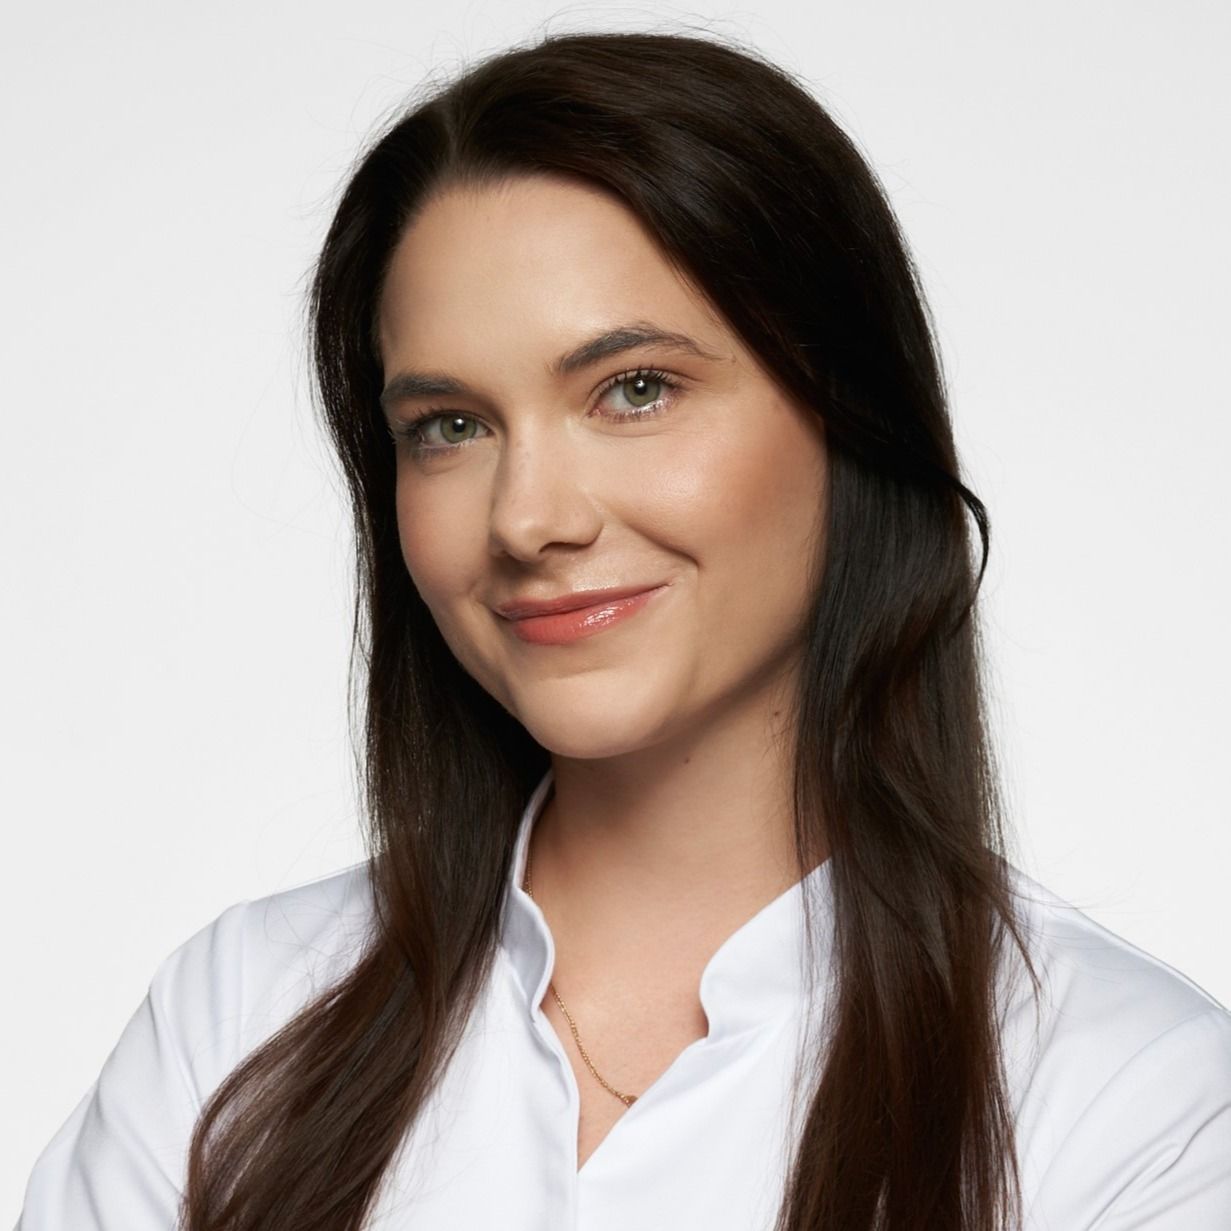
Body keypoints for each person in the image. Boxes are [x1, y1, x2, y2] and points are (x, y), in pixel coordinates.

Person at [18, 28, 1231, 1231]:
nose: (528, 519)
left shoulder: (1126, 1102)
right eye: (449, 426)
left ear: (849, 414)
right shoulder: (238, 1018)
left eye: (635, 389)